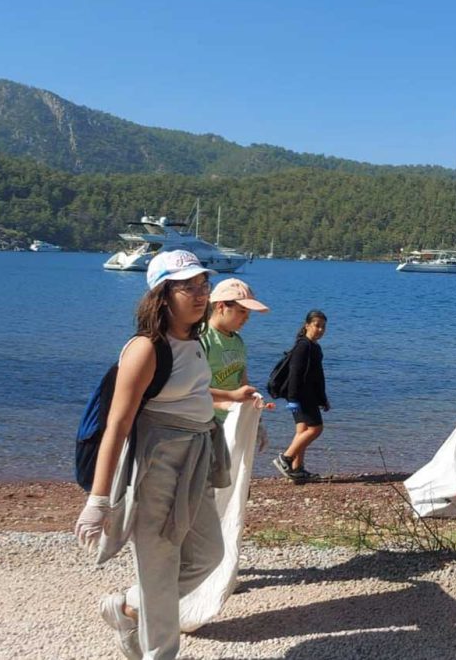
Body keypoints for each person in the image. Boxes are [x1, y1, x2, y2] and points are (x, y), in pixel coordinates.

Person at [74, 249, 229, 659]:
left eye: (203, 286)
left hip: (195, 462)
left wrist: (233, 399)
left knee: (210, 554)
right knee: (159, 571)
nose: (200, 295)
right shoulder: (145, 349)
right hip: (158, 468)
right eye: (188, 288)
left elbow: (190, 391)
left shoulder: (194, 341)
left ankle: (127, 608)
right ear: (162, 294)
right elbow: (118, 424)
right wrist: (99, 499)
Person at [202, 278, 270, 437]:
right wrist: (227, 403)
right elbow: (190, 390)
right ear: (221, 307)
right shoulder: (202, 338)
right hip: (204, 424)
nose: (247, 318)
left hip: (232, 423)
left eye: (248, 313)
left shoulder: (238, 341)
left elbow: (243, 382)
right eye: (242, 311)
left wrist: (256, 421)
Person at [272, 310, 329, 482]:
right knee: (316, 428)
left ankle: (297, 469)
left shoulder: (315, 348)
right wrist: (293, 400)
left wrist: (323, 399)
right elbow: (294, 374)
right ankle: (286, 459)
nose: (320, 329)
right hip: (301, 397)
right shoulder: (303, 346)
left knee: (302, 431)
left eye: (323, 327)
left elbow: (318, 377)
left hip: (308, 396)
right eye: (317, 325)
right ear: (307, 326)